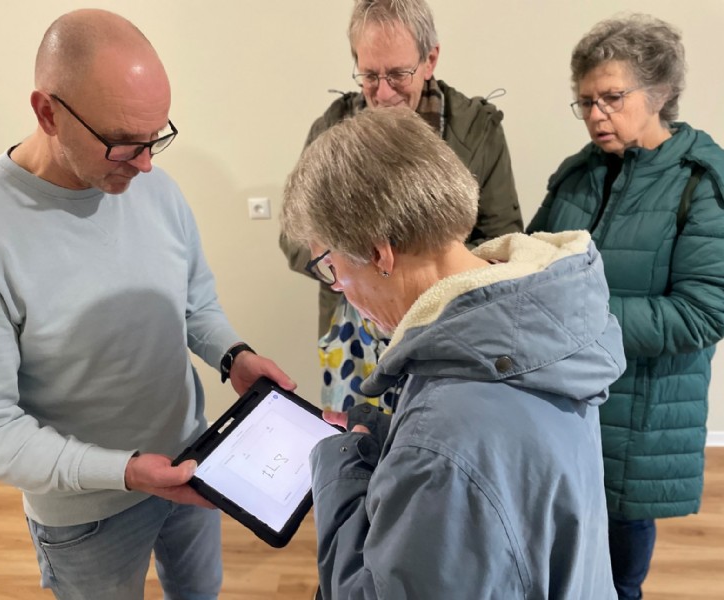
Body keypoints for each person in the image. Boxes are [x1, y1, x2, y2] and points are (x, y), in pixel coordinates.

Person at [0, 9, 294, 600]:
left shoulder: (154, 186)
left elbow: (194, 301)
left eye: (157, 139)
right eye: (124, 145)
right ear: (47, 111)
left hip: (193, 463)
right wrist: (123, 471)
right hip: (84, 514)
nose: (147, 164)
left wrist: (233, 355)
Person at [281, 106, 625, 599]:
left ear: (380, 252)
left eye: (330, 266)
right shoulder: (537, 325)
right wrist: (394, 451)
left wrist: (340, 472)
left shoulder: (441, 439)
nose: (340, 289)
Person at [526, 14, 724, 600]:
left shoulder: (700, 184)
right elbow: (530, 262)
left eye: (612, 97)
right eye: (584, 101)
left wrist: (580, 319)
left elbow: (703, 313)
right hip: (561, 411)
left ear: (660, 92)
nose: (595, 115)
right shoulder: (577, 176)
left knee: (615, 579)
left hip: (638, 416)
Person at [280, 0, 523, 413]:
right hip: (355, 334)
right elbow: (297, 239)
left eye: (397, 74)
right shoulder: (332, 127)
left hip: (448, 326)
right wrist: (351, 265)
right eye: (370, 76)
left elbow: (503, 237)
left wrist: (416, 271)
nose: (384, 92)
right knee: (355, 444)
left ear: (430, 59)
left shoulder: (475, 128)